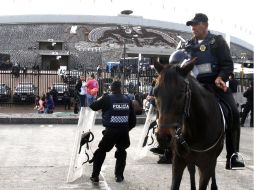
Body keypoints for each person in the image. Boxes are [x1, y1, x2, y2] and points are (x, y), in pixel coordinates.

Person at [185, 13, 244, 169]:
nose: (193, 28)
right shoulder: (188, 45)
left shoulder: (217, 42)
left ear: (205, 25)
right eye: (191, 25)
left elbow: (227, 64)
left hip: (214, 85)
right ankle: (168, 149)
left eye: (195, 24)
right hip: (194, 86)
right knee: (172, 106)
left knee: (234, 113)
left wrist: (220, 77)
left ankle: (232, 156)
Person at [89, 81, 136, 183]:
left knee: (101, 151)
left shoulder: (107, 98)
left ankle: (95, 176)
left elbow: (93, 106)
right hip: (124, 131)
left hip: (111, 131)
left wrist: (100, 99)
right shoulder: (128, 100)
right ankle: (119, 176)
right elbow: (133, 121)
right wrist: (125, 129)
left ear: (111, 88)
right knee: (122, 152)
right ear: (121, 88)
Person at [148, 79, 172, 164]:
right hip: (162, 115)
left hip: (167, 117)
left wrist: (153, 98)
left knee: (166, 135)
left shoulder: (168, 91)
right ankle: (164, 154)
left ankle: (167, 156)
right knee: (162, 134)